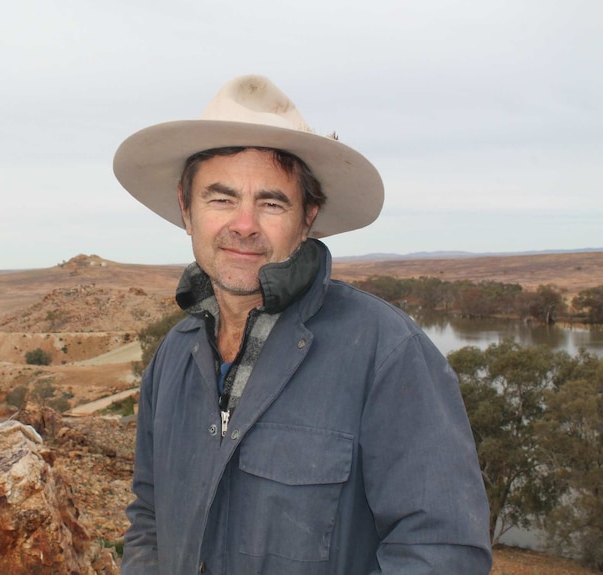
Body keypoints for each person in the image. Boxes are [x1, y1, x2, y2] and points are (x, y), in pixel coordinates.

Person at [112, 75, 492, 574]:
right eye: (221, 198)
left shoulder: (386, 352)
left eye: (271, 203)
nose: (244, 224)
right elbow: (150, 518)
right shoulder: (173, 357)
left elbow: (443, 552)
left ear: (307, 217)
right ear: (187, 210)